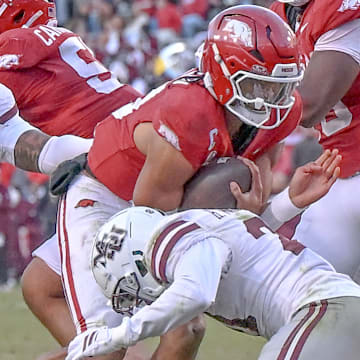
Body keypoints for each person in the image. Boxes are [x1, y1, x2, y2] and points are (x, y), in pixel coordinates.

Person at [39, 4, 307, 359]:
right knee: (108, 347)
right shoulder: (190, 113)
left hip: (164, 205)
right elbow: (147, 213)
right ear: (224, 72)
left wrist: (251, 212)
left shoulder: (280, 111)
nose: (271, 100)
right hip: (109, 200)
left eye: (277, 86)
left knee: (187, 330)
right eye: (258, 84)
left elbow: (253, 195)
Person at [64, 151, 355, 359]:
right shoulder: (205, 233)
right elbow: (249, 247)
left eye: (131, 289)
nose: (140, 301)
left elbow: (195, 294)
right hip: (334, 314)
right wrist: (289, 203)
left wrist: (116, 335)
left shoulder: (171, 237)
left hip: (324, 310)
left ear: (136, 259)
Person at [268, 0, 360, 282]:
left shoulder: (340, 7)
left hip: (345, 173)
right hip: (340, 170)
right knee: (307, 297)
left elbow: (310, 105)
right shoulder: (279, 15)